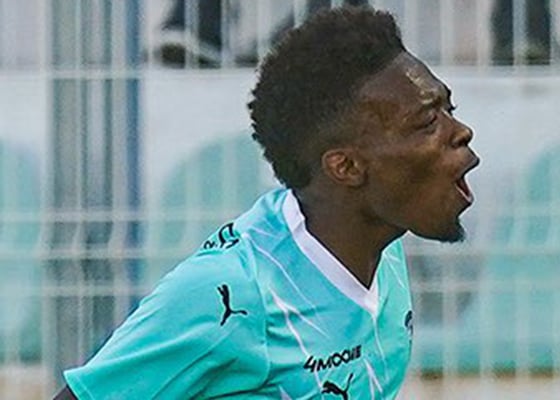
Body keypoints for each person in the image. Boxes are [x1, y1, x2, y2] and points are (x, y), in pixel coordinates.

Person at [54, 6, 479, 399]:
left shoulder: (381, 251)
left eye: (450, 109)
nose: (461, 131)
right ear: (346, 167)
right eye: (428, 121)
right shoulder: (231, 293)